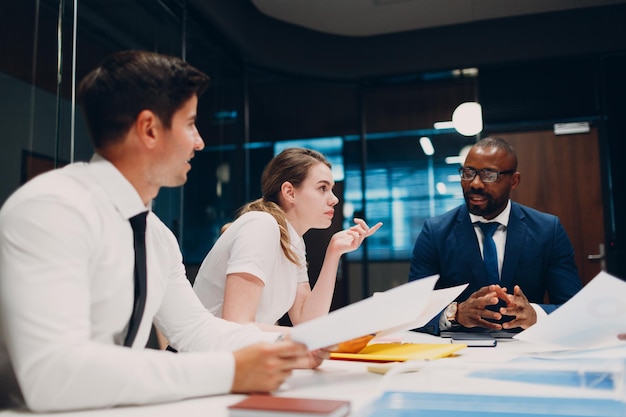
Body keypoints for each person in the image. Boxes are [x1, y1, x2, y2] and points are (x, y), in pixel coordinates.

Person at [0, 50, 321, 413]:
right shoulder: (51, 209)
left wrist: (290, 344)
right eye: (189, 124)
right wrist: (230, 371)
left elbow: (195, 330)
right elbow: (53, 376)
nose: (199, 142)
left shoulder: (155, 233)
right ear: (149, 129)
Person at [193, 148, 382, 332]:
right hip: (199, 358)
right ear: (289, 192)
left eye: (331, 189)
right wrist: (326, 338)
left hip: (234, 355)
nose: (334, 199)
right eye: (323, 188)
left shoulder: (294, 242)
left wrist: (334, 253)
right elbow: (237, 324)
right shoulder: (260, 225)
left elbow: (307, 322)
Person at [409, 136, 582, 335]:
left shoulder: (547, 230)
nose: (475, 184)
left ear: (514, 180)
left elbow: (573, 308)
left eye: (489, 175)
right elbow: (412, 310)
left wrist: (535, 314)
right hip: (457, 351)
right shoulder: (435, 232)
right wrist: (454, 314)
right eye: (468, 173)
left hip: (525, 347)